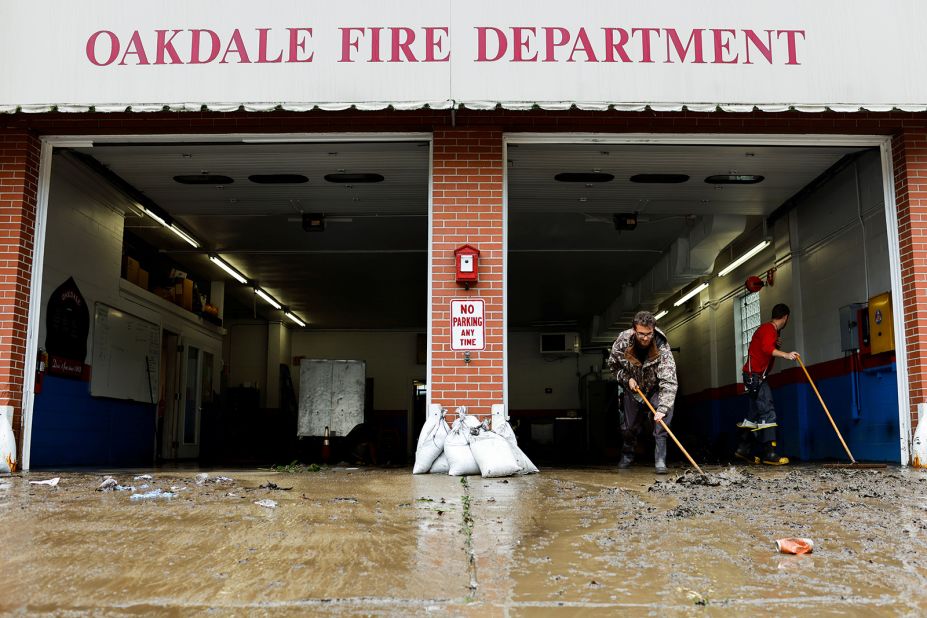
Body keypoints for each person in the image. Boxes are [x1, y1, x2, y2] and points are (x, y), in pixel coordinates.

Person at [607, 310, 678, 474]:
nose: (645, 338)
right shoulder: (622, 342)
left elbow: (669, 380)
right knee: (629, 427)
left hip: (655, 388)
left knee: (663, 423)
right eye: (641, 334)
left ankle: (660, 460)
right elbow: (613, 366)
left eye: (649, 334)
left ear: (653, 329)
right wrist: (627, 379)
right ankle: (627, 454)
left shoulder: (662, 346)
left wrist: (663, 408)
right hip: (633, 389)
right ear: (634, 330)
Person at [736, 303, 799, 465]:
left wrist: (775, 346)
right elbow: (765, 349)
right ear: (785, 317)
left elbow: (763, 348)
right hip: (755, 377)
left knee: (754, 413)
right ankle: (769, 453)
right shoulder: (769, 329)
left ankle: (744, 449)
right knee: (768, 411)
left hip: (752, 376)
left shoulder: (766, 330)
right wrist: (786, 354)